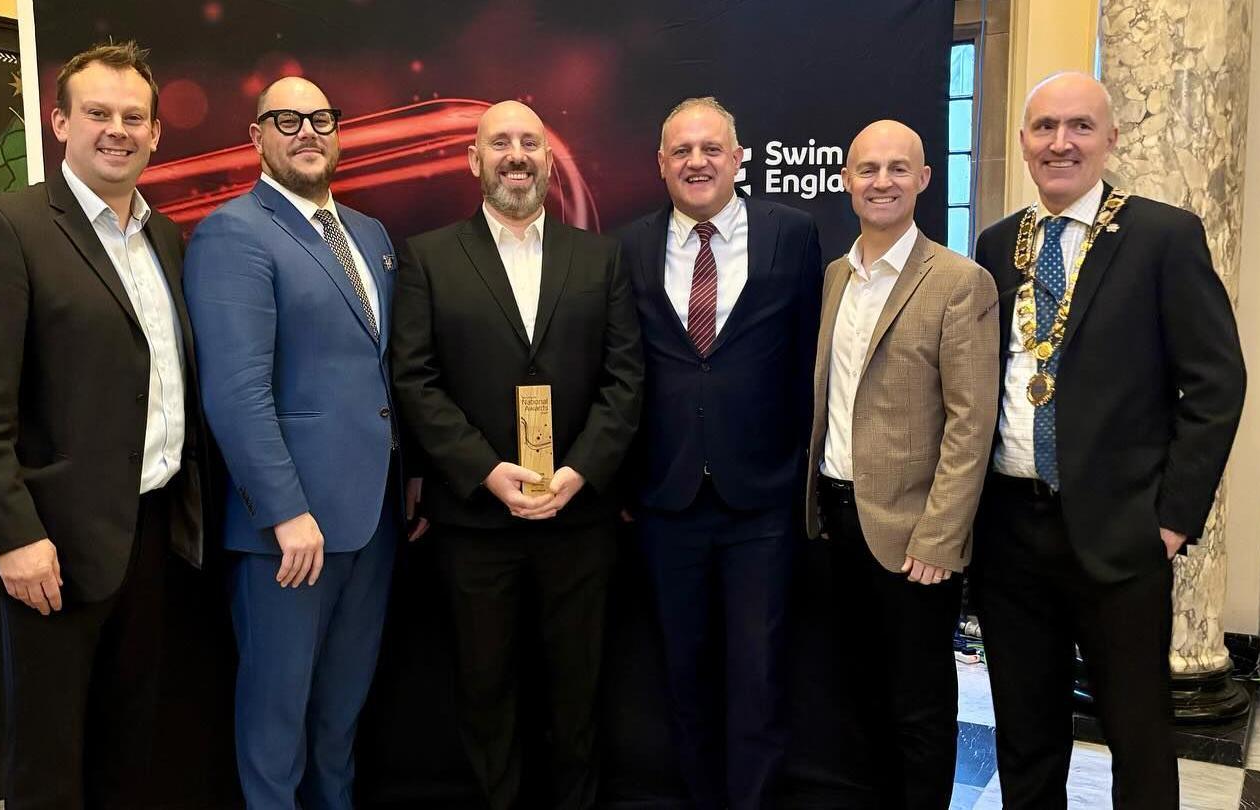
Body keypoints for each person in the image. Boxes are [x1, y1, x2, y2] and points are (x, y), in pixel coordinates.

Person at [0, 41, 205, 808]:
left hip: (152, 533)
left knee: (130, 749)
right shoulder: (6, 227)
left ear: (156, 133)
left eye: (134, 117)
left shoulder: (166, 238)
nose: (116, 130)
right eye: (97, 114)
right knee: (50, 763)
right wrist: (13, 537)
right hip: (50, 548)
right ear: (59, 122)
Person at [971, 71, 1246, 809]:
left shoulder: (1162, 235)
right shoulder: (999, 245)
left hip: (1121, 535)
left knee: (1137, 733)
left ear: (1110, 138)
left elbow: (1216, 385)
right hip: (1009, 530)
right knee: (1025, 734)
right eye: (1045, 128)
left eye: (1080, 127)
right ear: (1025, 142)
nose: (1061, 143)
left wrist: (1171, 521)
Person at [390, 100, 643, 810]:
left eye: (529, 141)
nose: (516, 155)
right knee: (485, 696)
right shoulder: (428, 257)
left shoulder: (602, 258)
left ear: (548, 158)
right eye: (499, 142)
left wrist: (577, 471)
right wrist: (487, 472)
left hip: (578, 518)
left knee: (578, 700)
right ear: (474, 159)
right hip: (476, 524)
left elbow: (627, 380)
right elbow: (415, 379)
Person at [184, 76, 417, 809]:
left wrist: (407, 475)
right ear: (256, 138)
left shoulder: (369, 235)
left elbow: (378, 376)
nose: (307, 131)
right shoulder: (233, 232)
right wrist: (285, 512)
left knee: (340, 719)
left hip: (372, 522)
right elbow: (236, 392)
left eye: (320, 118)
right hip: (290, 535)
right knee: (275, 726)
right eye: (286, 120)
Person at [613, 96, 821, 810]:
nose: (696, 162)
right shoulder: (629, 246)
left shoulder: (792, 235)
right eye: (681, 151)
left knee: (758, 681)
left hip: (761, 497)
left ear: (739, 157)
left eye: (711, 149)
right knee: (684, 679)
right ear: (661, 165)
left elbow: (807, 364)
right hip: (666, 500)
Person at [803, 120, 998, 808]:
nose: (880, 182)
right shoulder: (836, 276)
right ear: (846, 180)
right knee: (860, 697)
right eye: (866, 169)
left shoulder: (958, 283)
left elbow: (972, 424)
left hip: (916, 538)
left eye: (896, 169)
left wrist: (943, 538)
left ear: (923, 178)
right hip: (837, 519)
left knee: (919, 708)